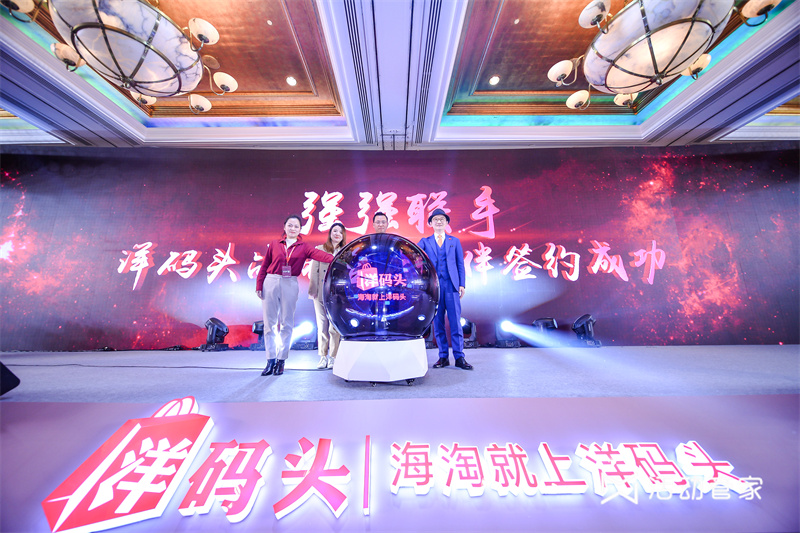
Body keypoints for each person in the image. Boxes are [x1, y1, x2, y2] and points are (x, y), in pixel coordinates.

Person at [256, 215, 334, 376]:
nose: (292, 229)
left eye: (296, 226)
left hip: (290, 283)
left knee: (287, 322)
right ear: (284, 227)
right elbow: (264, 266)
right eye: (290, 225)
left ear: (300, 229)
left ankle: (281, 360)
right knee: (269, 324)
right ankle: (270, 360)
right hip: (271, 281)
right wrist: (259, 284)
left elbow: (320, 255)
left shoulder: (304, 247)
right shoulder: (274, 244)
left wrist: (336, 258)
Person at [417, 208, 473, 370]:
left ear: (447, 222)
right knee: (438, 323)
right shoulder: (425, 241)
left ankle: (459, 357)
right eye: (435, 219)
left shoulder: (454, 241)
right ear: (430, 223)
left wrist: (462, 284)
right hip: (434, 288)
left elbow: (460, 264)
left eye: (442, 219)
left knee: (455, 322)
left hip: (452, 286)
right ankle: (443, 357)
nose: (439, 222)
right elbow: (415, 255)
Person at [308, 222, 346, 369]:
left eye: (340, 232)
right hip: (321, 293)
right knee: (322, 325)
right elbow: (314, 272)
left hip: (337, 294)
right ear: (330, 233)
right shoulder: (320, 249)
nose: (337, 234)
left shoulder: (346, 252)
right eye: (335, 231)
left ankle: (333, 357)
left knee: (334, 327)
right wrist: (313, 292)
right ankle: (322, 356)